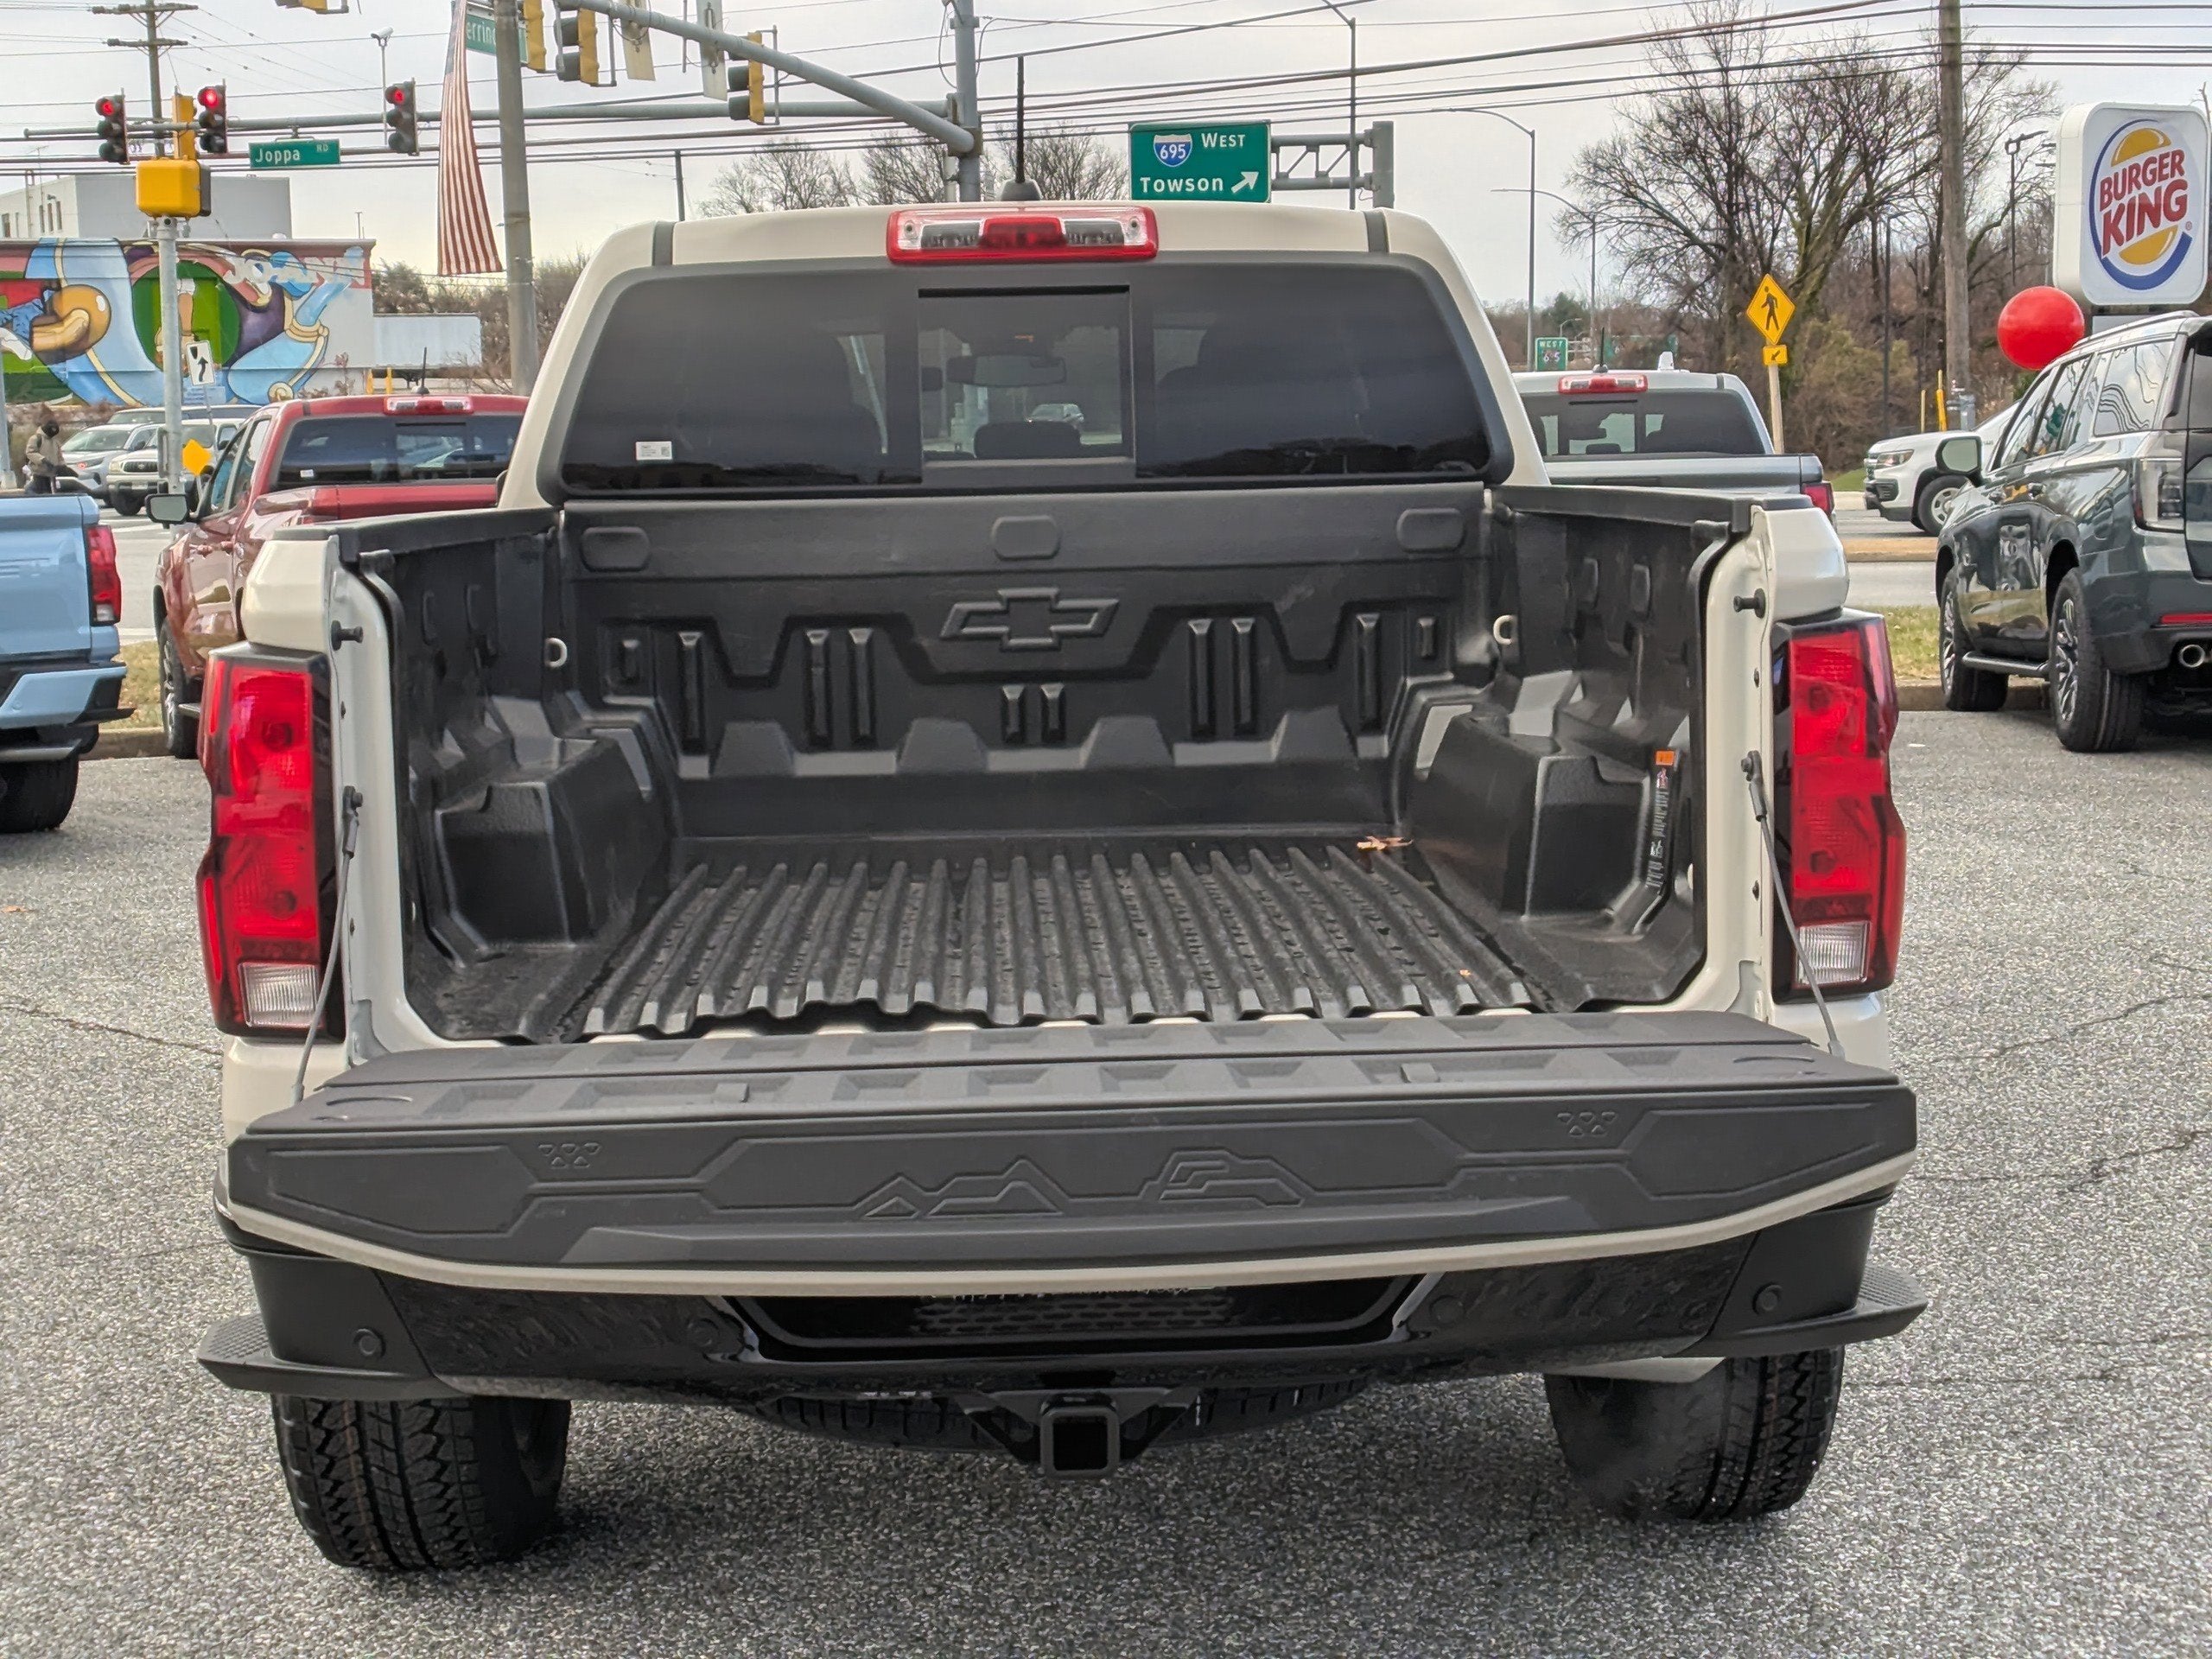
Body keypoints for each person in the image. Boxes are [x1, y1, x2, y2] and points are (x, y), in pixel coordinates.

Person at [22, 410, 67, 495]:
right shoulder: (36, 438)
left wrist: (63, 466)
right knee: (38, 493)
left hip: (52, 474)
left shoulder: (55, 442)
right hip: (39, 474)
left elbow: (59, 456)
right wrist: (42, 460)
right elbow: (30, 452)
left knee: (51, 494)